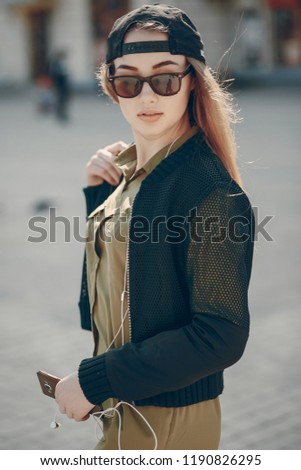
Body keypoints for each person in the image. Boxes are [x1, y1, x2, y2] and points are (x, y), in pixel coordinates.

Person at [55, 3, 255, 450]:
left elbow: (221, 336)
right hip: (125, 410)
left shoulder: (209, 191)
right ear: (112, 88)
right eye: (128, 80)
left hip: (169, 423)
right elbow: (99, 308)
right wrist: (97, 196)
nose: (147, 97)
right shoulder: (132, 178)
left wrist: (93, 380)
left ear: (191, 83)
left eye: (165, 79)